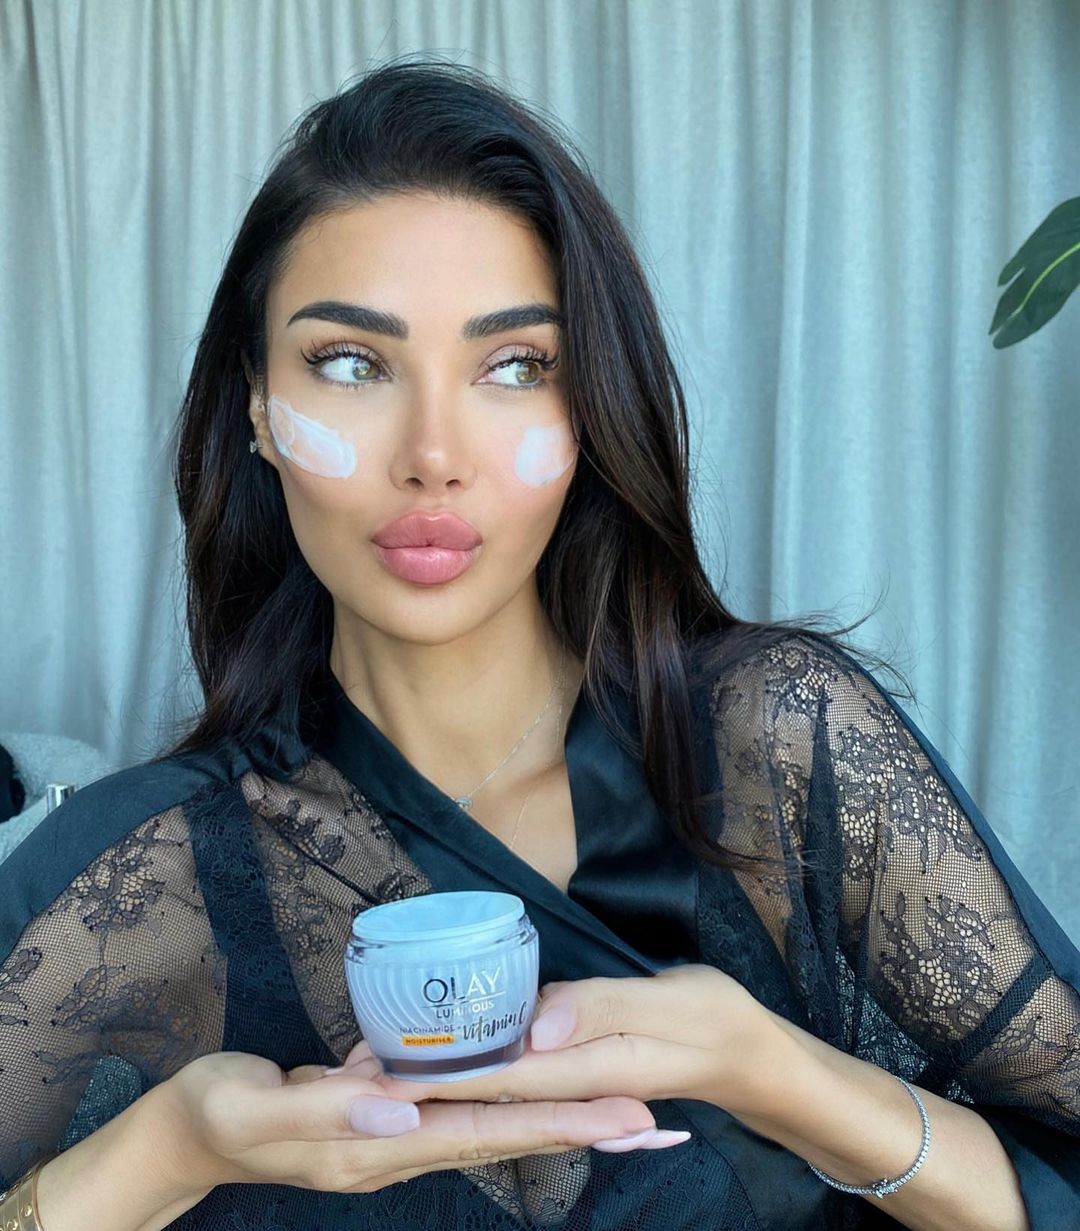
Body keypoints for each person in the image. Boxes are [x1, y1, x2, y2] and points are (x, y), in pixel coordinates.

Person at [1, 54, 1077, 1231]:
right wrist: (165, 1152)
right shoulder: (137, 875)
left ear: (587, 407)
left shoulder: (775, 744)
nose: (434, 455)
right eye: (352, 363)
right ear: (258, 405)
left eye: (514, 366)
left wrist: (782, 1074)